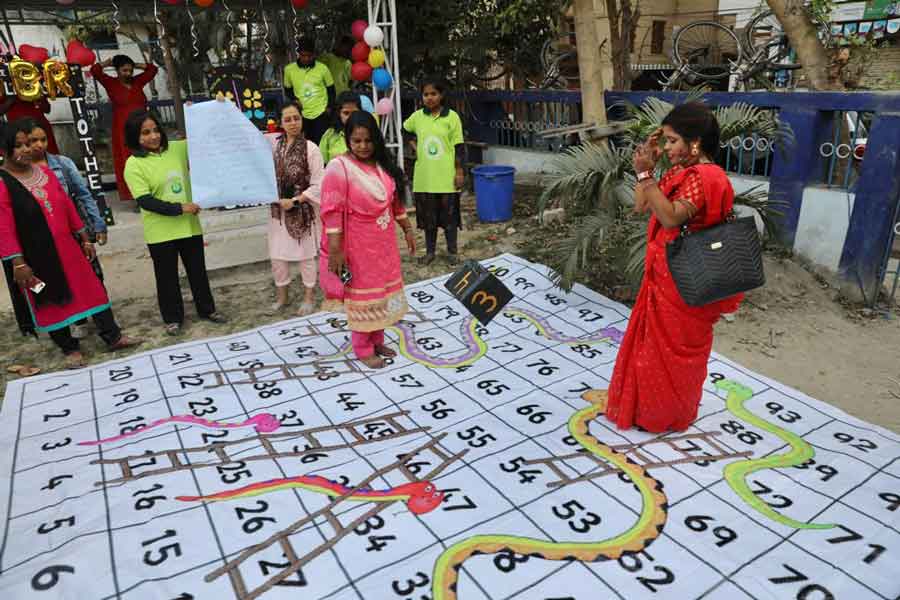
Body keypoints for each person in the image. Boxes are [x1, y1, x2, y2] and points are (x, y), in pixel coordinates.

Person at [605, 102, 743, 433]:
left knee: (672, 351)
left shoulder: (703, 177)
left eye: (671, 141)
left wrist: (647, 176)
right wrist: (646, 169)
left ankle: (665, 414)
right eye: (664, 141)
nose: (666, 148)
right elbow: (642, 205)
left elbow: (669, 217)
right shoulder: (678, 173)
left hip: (684, 277)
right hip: (664, 274)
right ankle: (645, 409)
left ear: (694, 142)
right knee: (652, 349)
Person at [0, 120, 140, 368]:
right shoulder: (3, 183)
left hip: (68, 247)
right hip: (35, 258)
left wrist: (84, 237)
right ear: (4, 150)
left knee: (92, 289)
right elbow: (4, 228)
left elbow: (65, 204)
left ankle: (113, 336)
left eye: (26, 144)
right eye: (18, 146)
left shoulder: (42, 172)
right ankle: (69, 347)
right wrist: (18, 263)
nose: (25, 150)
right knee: (49, 297)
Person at [321, 111, 416, 369]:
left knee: (384, 292)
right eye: (356, 141)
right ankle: (363, 347)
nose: (363, 147)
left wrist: (407, 228)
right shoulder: (339, 168)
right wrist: (336, 251)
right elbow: (331, 212)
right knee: (364, 296)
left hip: (384, 244)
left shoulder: (382, 164)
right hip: (358, 246)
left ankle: (377, 338)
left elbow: (393, 202)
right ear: (348, 141)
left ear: (376, 139)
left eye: (367, 140)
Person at [122, 110, 226, 336]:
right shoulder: (133, 164)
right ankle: (172, 318)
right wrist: (180, 208)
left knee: (198, 271)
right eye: (145, 133)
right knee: (167, 278)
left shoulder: (177, 149)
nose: (153, 136)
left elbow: (203, 138)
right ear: (135, 138)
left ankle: (207, 310)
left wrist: (206, 110)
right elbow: (146, 201)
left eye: (155, 130)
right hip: (160, 233)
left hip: (189, 227)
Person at [28, 120, 109, 339]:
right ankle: (78, 320)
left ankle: (105, 323)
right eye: (33, 140)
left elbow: (83, 194)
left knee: (93, 276)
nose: (39, 145)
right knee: (62, 279)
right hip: (44, 238)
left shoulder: (62, 164)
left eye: (43, 139)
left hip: (74, 232)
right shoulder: (21, 174)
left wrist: (97, 224)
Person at [267, 101, 325, 316]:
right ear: (280, 122)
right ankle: (283, 296)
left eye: (296, 118)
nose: (292, 123)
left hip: (302, 209)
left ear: (302, 120)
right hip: (277, 210)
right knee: (277, 255)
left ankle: (309, 296)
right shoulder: (273, 145)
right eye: (288, 119)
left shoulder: (311, 149)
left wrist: (297, 200)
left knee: (305, 255)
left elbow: (319, 184)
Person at [402, 79, 465, 266]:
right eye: (426, 94)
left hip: (446, 178)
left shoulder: (451, 117)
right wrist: (415, 146)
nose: (429, 98)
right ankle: (430, 253)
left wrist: (459, 171)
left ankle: (452, 252)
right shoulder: (417, 117)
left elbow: (459, 146)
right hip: (425, 178)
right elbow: (404, 130)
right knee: (429, 219)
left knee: (450, 218)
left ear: (441, 95)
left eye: (433, 94)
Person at [91, 55, 159, 202]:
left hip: (143, 126)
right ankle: (136, 196)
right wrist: (106, 63)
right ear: (117, 70)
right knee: (128, 160)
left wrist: (136, 64)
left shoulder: (138, 81)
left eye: (130, 70)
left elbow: (153, 70)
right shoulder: (110, 83)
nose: (128, 73)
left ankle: (154, 190)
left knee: (149, 156)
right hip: (123, 129)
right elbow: (95, 71)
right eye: (124, 70)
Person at [283, 37, 335, 145]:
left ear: (314, 54)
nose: (306, 58)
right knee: (304, 144)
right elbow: (288, 90)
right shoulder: (289, 70)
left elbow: (331, 90)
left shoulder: (323, 68)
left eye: (309, 56)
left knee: (322, 144)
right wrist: (294, 99)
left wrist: (329, 108)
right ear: (299, 54)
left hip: (321, 113)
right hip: (302, 114)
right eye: (303, 55)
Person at [319, 91, 362, 164]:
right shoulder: (329, 135)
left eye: (354, 113)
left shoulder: (367, 132)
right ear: (338, 113)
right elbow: (322, 162)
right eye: (346, 113)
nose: (350, 117)